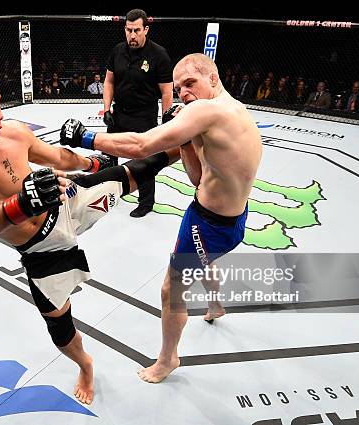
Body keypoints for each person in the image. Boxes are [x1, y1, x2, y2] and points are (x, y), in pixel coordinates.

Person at [0, 58, 179, 403]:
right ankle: (85, 365)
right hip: (41, 250)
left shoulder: (12, 133)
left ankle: (193, 138)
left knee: (137, 171)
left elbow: (57, 157)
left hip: (67, 205)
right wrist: (19, 206)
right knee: (60, 328)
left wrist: (91, 163)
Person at [60, 53, 262, 383]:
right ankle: (215, 305)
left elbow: (141, 145)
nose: (183, 92)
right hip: (232, 218)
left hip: (209, 223)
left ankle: (168, 359)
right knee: (204, 258)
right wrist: (186, 141)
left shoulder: (206, 110)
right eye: (179, 87)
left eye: (190, 83)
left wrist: (85, 137)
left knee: (172, 290)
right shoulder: (233, 110)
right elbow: (198, 179)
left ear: (213, 78)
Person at [102, 9, 174, 218]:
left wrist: (166, 120)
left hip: (144, 116)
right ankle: (110, 190)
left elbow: (166, 90)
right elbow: (109, 80)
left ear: (146, 30)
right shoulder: (117, 51)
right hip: (119, 112)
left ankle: (146, 201)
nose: (132, 35)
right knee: (108, 154)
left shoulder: (158, 55)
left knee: (144, 160)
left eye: (136, 30)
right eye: (128, 30)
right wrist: (107, 108)